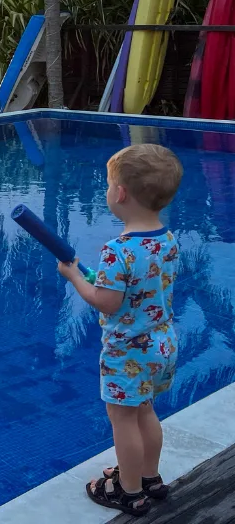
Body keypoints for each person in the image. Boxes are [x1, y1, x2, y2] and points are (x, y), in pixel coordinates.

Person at [58, 143, 183, 517]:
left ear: (121, 193)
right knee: (145, 410)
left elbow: (106, 302)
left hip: (128, 350)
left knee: (123, 418)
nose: (107, 191)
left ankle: (129, 492)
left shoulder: (118, 250)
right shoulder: (167, 240)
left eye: (109, 185)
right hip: (161, 343)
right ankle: (149, 477)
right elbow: (143, 290)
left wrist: (74, 277)